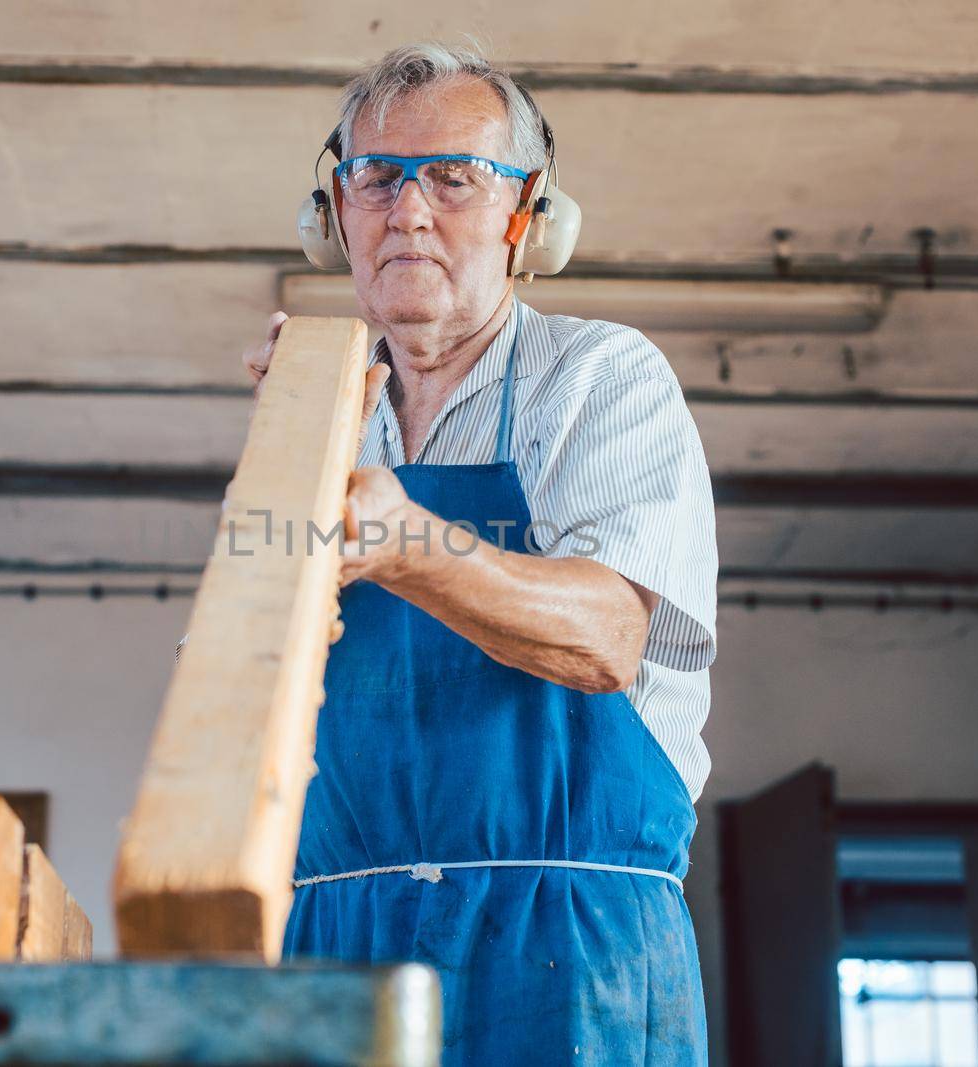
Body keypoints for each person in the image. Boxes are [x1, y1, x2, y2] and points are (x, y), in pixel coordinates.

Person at [239, 43, 718, 1066]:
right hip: (336, 947)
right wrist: (287, 459)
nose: (409, 211)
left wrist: (407, 541)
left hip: (564, 941)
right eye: (378, 177)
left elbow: (607, 639)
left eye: (454, 177)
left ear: (525, 213)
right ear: (333, 214)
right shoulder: (319, 414)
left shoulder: (598, 378)